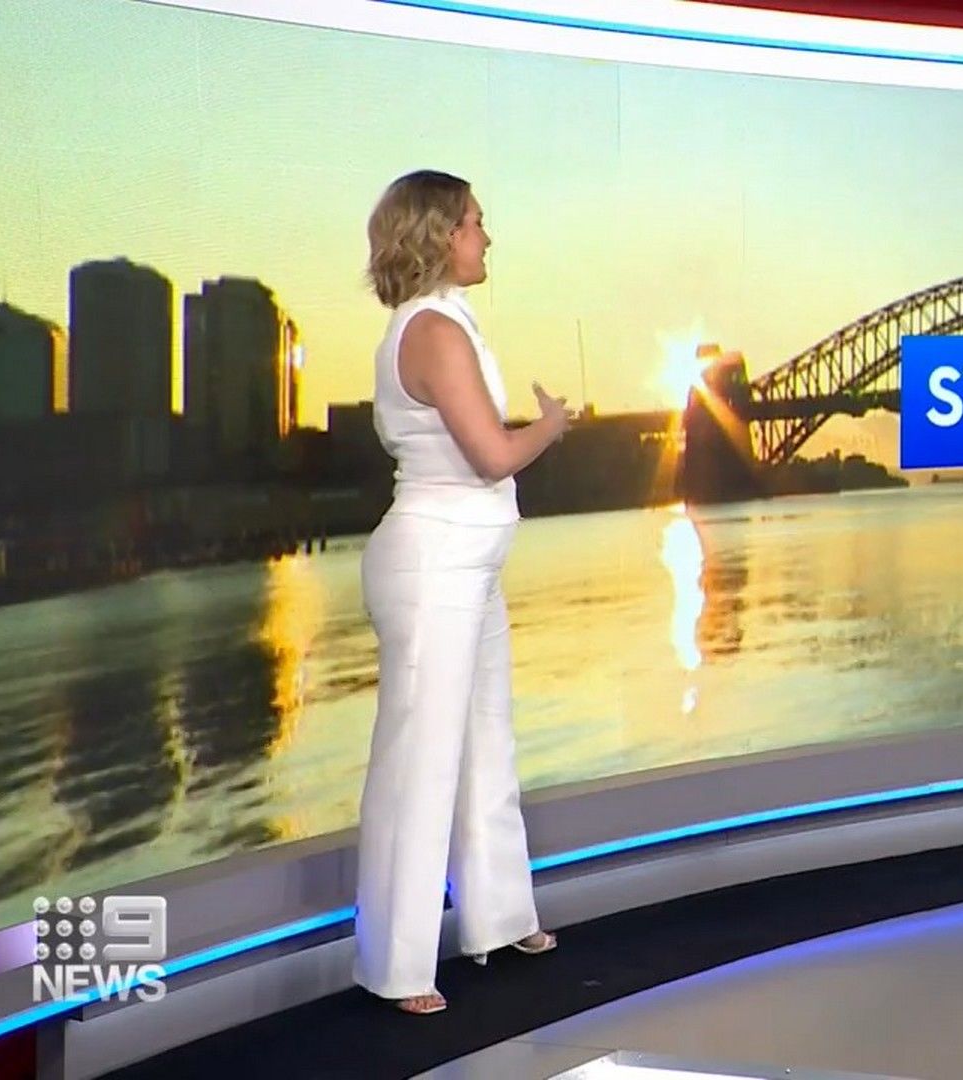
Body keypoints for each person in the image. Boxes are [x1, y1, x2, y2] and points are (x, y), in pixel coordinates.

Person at [353, 169, 573, 1015]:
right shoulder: (435, 331)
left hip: (468, 566)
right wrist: (549, 426)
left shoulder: (444, 322)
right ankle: (398, 966)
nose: (487, 236)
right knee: (420, 766)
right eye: (476, 222)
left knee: (486, 743)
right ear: (441, 234)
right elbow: (492, 455)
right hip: (433, 568)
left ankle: (502, 916)